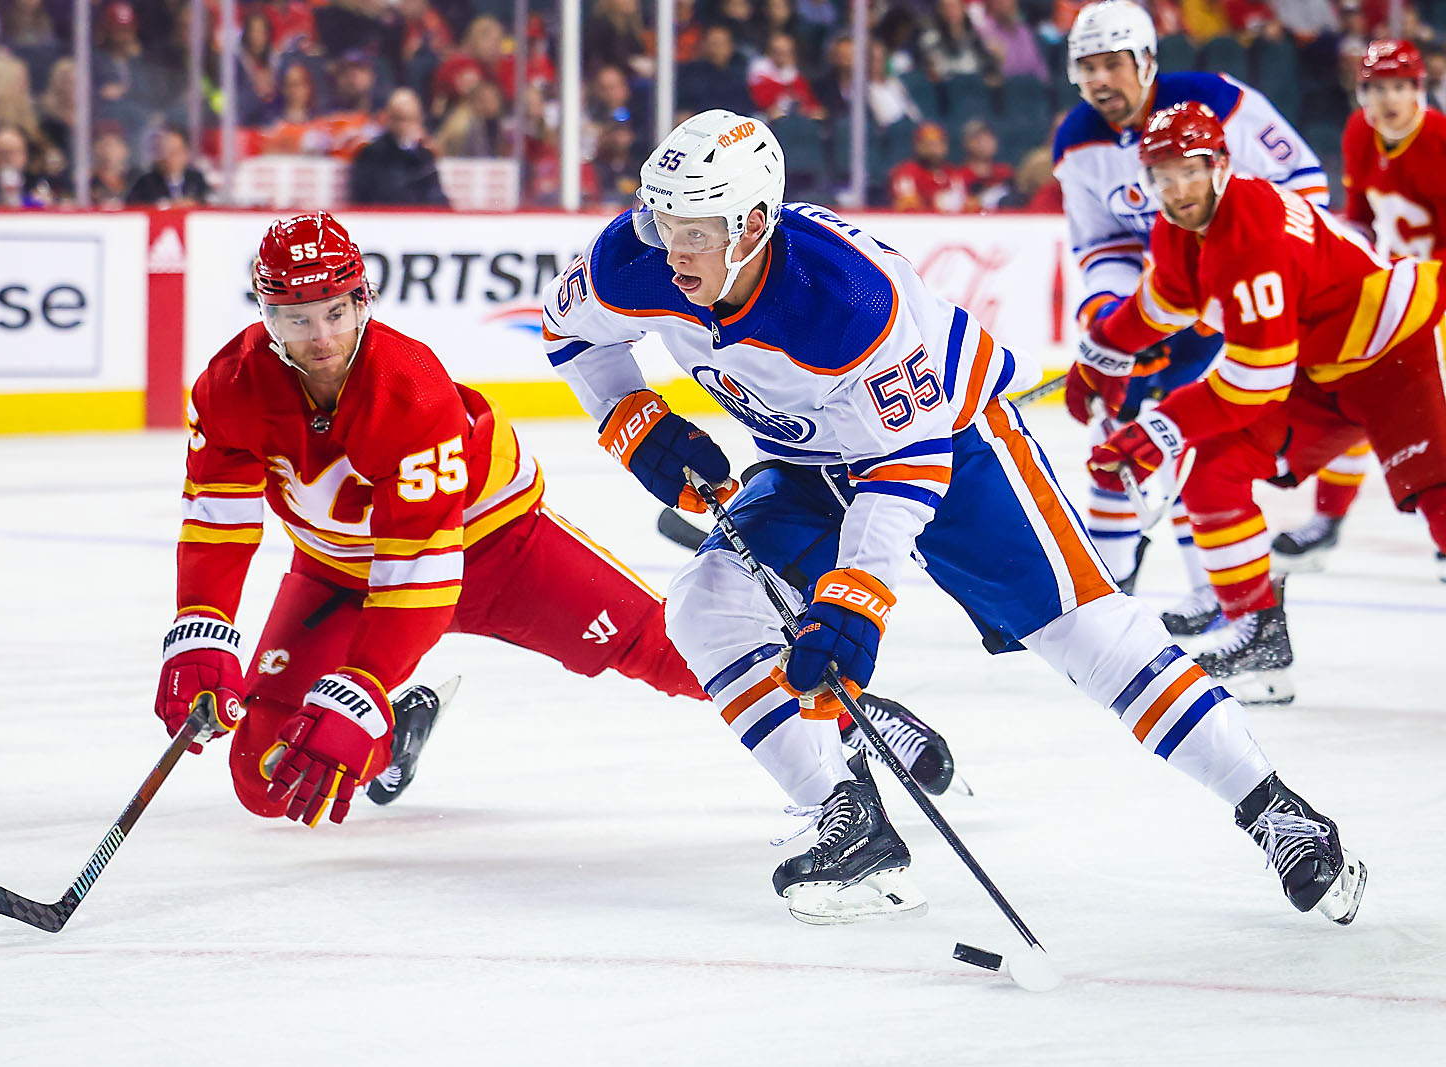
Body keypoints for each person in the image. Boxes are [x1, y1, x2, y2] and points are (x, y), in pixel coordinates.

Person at [541, 107, 1366, 928]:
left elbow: (907, 468)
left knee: (1088, 632)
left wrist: (855, 600)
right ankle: (851, 820)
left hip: (953, 443)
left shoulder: (851, 301)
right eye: (661, 217)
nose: (670, 246)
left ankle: (1272, 807)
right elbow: (568, 329)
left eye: (696, 229)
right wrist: (629, 417)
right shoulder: (634, 257)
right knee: (704, 604)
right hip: (808, 460)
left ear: (755, 224)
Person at [154, 211, 956, 830]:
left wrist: (357, 683)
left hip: (496, 551)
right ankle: (398, 729)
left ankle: (842, 709)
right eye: (296, 319)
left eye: (335, 310)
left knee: (673, 646)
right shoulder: (229, 387)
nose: (321, 339)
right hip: (340, 575)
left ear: (363, 298)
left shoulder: (410, 390)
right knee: (266, 777)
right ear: (266, 316)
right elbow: (218, 521)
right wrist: (200, 626)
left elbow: (422, 574)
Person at [1084, 102, 1446, 708]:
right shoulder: (1180, 228)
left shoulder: (1249, 231)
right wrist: (1102, 353)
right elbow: (1161, 307)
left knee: (1439, 498)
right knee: (1213, 466)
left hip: (1389, 350)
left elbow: (1256, 382)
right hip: (1317, 365)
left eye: (1190, 171)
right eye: (1163, 176)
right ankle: (1259, 639)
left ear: (1221, 165)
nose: (1177, 190)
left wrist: (1157, 429)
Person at [1053, 0, 1336, 635]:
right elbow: (1105, 247)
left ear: (1147, 60)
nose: (1100, 81)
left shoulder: (1221, 103)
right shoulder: (1077, 141)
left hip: (1250, 305)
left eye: (1112, 64)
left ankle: (1215, 595)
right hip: (1162, 306)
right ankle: (1109, 588)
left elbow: (1307, 190)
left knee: (1195, 441)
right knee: (1121, 433)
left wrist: (1216, 300)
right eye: (1087, 68)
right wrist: (1111, 318)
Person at [1275, 39, 1446, 579]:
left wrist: (1417, 290)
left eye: (1399, 86)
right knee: (1351, 389)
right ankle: (1328, 520)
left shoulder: (1440, 140)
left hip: (1432, 289)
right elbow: (1360, 219)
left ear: (1419, 91)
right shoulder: (1358, 133)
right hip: (1392, 292)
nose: (1388, 99)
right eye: (1375, 88)